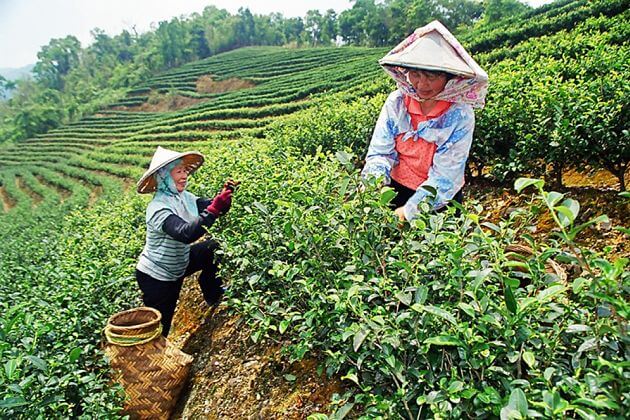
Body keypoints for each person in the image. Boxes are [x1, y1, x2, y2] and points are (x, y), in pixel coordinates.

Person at [362, 20, 488, 221]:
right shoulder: (397, 102)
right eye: (415, 74)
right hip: (396, 189)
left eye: (431, 76)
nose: (422, 84)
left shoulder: (460, 114)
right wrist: (372, 187)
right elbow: (380, 152)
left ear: (449, 77)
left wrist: (409, 212)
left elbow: (446, 176)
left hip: (440, 200)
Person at [135, 146, 233, 337]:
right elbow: (185, 233)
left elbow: (210, 207)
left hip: (181, 261)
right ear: (164, 177)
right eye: (178, 171)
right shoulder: (158, 208)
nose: (184, 175)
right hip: (158, 276)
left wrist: (224, 199)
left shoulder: (184, 198)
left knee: (214, 248)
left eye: (185, 171)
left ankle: (212, 291)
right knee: (160, 328)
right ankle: (156, 364)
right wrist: (214, 209)